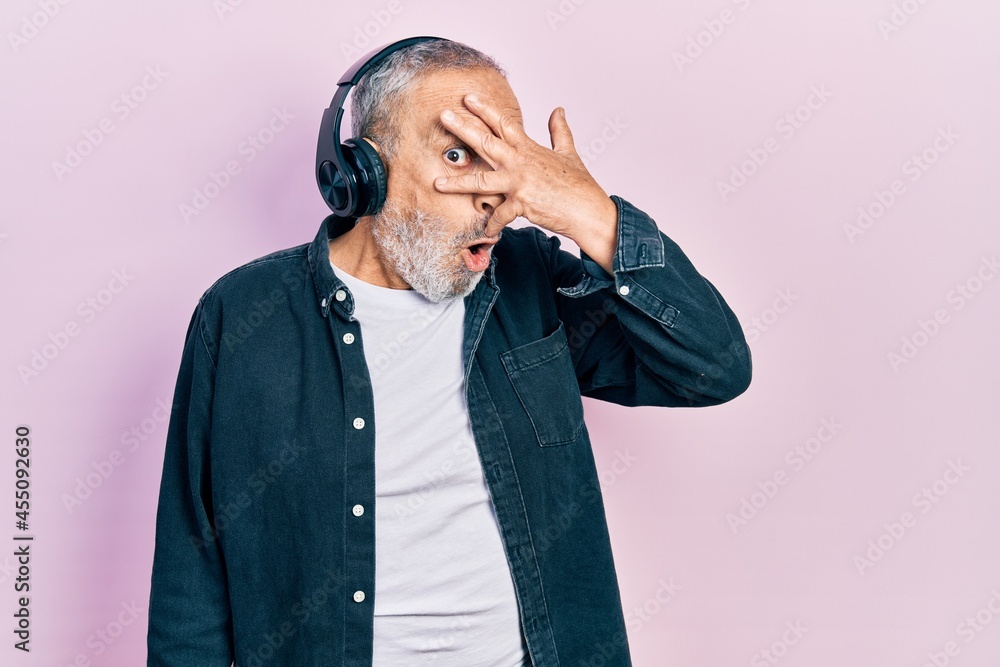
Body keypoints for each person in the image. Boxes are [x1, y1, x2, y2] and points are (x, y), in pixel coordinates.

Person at [146, 37, 751, 667]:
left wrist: (589, 215)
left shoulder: (531, 283)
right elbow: (192, 573)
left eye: (510, 157)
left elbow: (713, 369)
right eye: (460, 154)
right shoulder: (244, 315)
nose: (496, 191)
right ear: (365, 173)